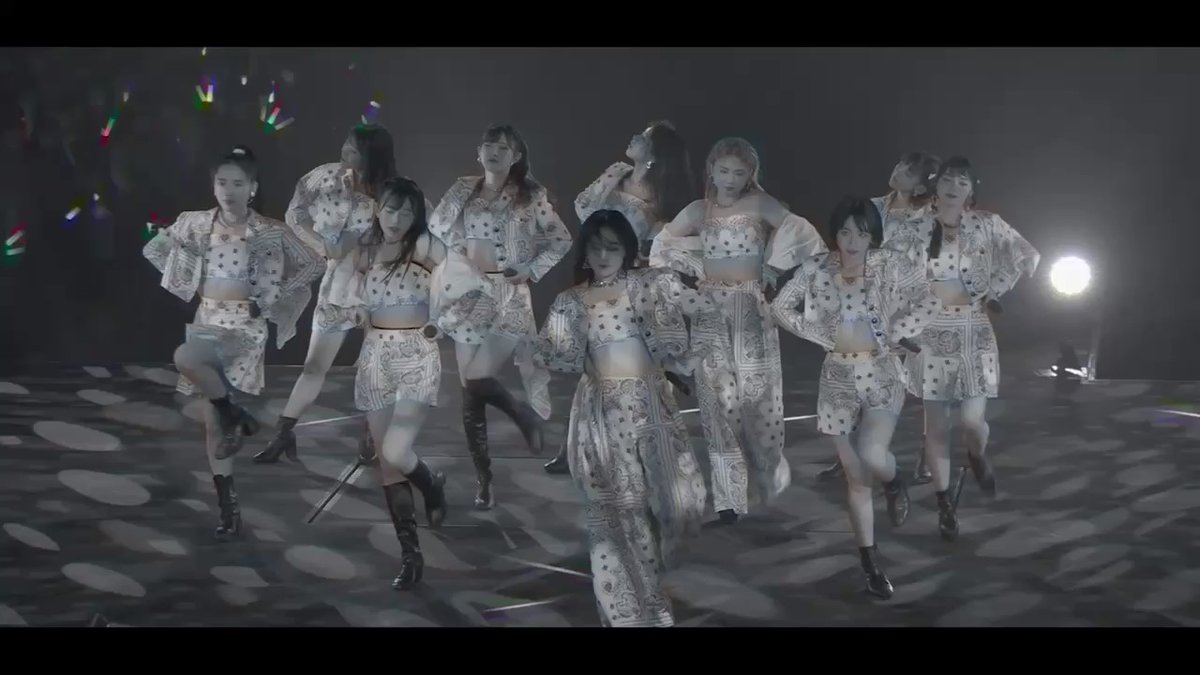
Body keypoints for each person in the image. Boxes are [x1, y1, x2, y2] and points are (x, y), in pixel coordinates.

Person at [533, 209, 707, 626]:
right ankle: (635, 610)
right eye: (596, 247)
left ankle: (655, 582)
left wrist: (692, 354)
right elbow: (547, 351)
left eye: (612, 247)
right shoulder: (570, 302)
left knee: (682, 503)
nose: (604, 255)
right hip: (603, 415)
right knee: (619, 515)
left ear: (627, 249)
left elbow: (699, 312)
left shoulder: (651, 285)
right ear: (585, 252)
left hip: (653, 408)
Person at [143, 145, 321, 540]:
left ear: (252, 188)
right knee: (211, 418)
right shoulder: (195, 223)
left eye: (237, 183)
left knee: (192, 370)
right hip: (207, 319)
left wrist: (274, 297)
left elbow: (314, 263)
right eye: (222, 182)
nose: (228, 190)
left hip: (244, 327)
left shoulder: (270, 230)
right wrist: (184, 274)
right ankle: (230, 504)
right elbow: (156, 247)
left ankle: (233, 416)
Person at [650, 137, 825, 525]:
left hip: (751, 311)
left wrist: (773, 268)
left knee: (759, 400)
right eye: (724, 171)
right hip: (710, 311)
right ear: (711, 170)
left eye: (739, 173)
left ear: (751, 175)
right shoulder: (699, 210)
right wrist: (683, 281)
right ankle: (728, 498)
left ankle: (768, 468)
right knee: (717, 404)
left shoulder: (760, 204)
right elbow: (662, 245)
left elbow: (801, 232)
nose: (730, 179)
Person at [772, 196, 941, 598]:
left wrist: (901, 329)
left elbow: (929, 297)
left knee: (872, 454)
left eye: (862, 234)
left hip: (882, 373)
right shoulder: (816, 268)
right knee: (856, 479)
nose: (852, 241)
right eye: (845, 232)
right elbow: (780, 306)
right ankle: (870, 564)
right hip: (837, 379)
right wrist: (819, 334)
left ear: (873, 236)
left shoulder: (890, 263)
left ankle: (894, 481)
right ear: (835, 233)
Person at [888, 156, 1040, 541]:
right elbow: (889, 273)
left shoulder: (987, 224)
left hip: (974, 331)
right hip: (930, 333)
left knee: (972, 423)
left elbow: (1026, 254)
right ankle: (944, 503)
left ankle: (976, 454)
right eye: (948, 180)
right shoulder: (915, 228)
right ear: (935, 185)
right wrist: (899, 323)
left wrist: (997, 289)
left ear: (972, 189)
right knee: (936, 428)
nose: (954, 187)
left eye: (962, 181)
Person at [428, 123, 572, 509]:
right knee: (470, 393)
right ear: (478, 152)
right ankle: (484, 477)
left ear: (516, 156)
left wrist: (531, 269)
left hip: (509, 296)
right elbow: (436, 225)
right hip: (469, 295)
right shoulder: (463, 188)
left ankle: (523, 415)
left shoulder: (530, 195)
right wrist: (459, 252)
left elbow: (561, 240)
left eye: (503, 147)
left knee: (478, 378)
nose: (494, 152)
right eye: (489, 145)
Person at [544, 120, 694, 475]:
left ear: (654, 152)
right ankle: (573, 450)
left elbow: (669, 242)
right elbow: (583, 207)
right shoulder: (616, 172)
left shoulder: (664, 195)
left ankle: (647, 445)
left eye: (644, 136)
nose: (634, 137)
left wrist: (648, 251)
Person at [253, 123, 397, 465]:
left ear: (372, 157)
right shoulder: (325, 178)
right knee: (314, 366)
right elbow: (296, 213)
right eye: (346, 145)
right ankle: (283, 434)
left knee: (376, 368)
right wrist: (321, 245)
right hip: (338, 287)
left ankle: (372, 435)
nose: (345, 153)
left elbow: (419, 227)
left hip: (379, 288)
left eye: (355, 150)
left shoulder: (392, 192)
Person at [819, 152, 941, 484]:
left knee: (927, 383)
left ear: (920, 185)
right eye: (900, 165)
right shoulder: (873, 206)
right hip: (868, 299)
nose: (897, 171)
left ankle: (928, 454)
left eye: (907, 171)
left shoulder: (932, 218)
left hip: (911, 302)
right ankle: (848, 454)